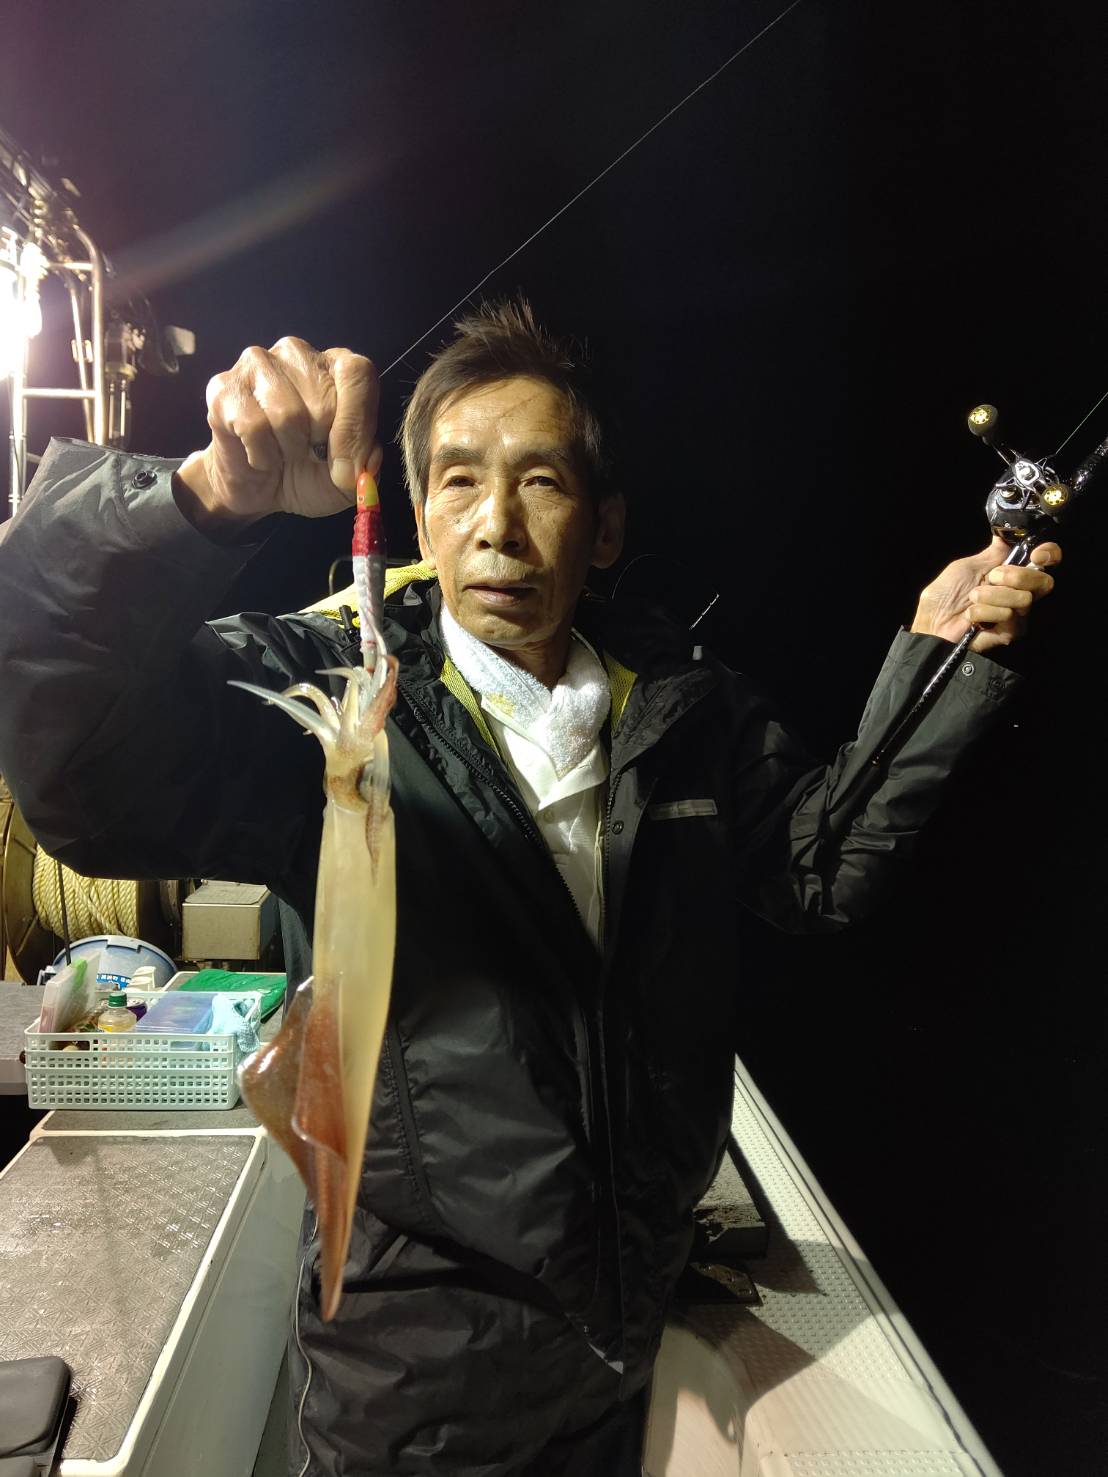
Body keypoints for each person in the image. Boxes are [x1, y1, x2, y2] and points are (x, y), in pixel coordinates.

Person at [0, 301, 1059, 1476]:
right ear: (419, 517)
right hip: (411, 1396)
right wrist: (200, 502)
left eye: (541, 482)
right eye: (458, 481)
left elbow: (814, 869)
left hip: (620, 1355)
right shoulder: (335, 703)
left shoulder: (681, 704)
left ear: (603, 528)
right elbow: (79, 774)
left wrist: (936, 656)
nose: (496, 524)